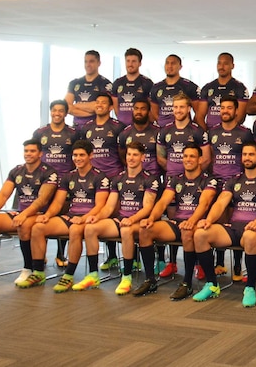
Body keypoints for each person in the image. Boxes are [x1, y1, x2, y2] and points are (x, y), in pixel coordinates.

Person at [190, 142, 256, 305]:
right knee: (200, 234)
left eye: (251, 154)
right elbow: (220, 203)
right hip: (234, 228)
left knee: (251, 236)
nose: (247, 157)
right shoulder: (234, 180)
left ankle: (250, 287)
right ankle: (212, 284)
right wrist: (208, 220)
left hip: (255, 228)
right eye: (244, 154)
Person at [15, 140, 110, 290]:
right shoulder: (68, 176)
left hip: (90, 218)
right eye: (75, 155)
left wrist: (83, 218)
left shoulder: (100, 177)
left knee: (74, 230)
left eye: (81, 155)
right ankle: (38, 272)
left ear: (91, 155)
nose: (77, 158)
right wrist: (48, 215)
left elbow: (100, 206)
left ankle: (69, 275)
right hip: (71, 216)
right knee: (38, 227)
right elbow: (58, 203)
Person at [131, 144, 219, 300]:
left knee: (187, 231)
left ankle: (187, 283)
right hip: (177, 222)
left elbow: (204, 203)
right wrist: (151, 218)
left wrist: (191, 221)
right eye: (185, 156)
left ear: (200, 159)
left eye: (192, 156)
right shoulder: (175, 179)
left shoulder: (209, 180)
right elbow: (163, 201)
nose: (188, 160)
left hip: (197, 223)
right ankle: (150, 280)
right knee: (145, 230)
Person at [75, 142, 161, 294]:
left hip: (138, 221)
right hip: (120, 219)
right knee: (90, 228)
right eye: (129, 154)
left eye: (135, 155)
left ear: (143, 157)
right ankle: (93, 275)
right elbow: (109, 207)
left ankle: (126, 277)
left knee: (126, 230)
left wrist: (132, 218)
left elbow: (148, 208)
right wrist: (97, 217)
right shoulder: (118, 178)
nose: (131, 158)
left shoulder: (150, 179)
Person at [0, 139, 59, 284]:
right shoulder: (16, 170)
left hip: (40, 214)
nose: (28, 154)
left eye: (32, 151)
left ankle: (28, 269)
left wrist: (24, 214)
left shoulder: (49, 172)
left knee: (22, 225)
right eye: (26, 151)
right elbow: (4, 194)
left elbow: (42, 200)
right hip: (19, 213)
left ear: (40, 154)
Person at [156, 92, 209, 279]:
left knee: (191, 223)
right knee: (175, 222)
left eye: (181, 107)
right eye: (175, 107)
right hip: (172, 182)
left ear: (188, 109)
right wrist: (175, 172)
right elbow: (161, 157)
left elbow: (206, 157)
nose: (178, 110)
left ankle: (198, 265)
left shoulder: (197, 131)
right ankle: (172, 263)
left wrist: (191, 175)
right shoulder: (165, 131)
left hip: (194, 184)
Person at [206, 96, 254, 280]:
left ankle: (236, 266)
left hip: (238, 185)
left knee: (235, 224)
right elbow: (209, 157)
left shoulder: (245, 133)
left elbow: (250, 158)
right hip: (217, 184)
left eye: (229, 108)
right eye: (222, 108)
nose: (225, 111)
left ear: (236, 111)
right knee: (218, 222)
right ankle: (219, 262)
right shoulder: (212, 132)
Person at [79, 92, 126, 269]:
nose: (99, 105)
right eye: (96, 102)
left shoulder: (118, 126)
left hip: (114, 175)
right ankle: (112, 256)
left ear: (110, 107)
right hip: (95, 179)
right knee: (99, 215)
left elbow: (123, 153)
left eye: (103, 103)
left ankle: (132, 257)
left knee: (115, 214)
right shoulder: (86, 127)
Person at [33, 99, 78, 267]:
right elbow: (35, 155)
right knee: (42, 216)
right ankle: (40, 254)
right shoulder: (40, 132)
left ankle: (60, 255)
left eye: (61, 111)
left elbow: (77, 157)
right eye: (54, 110)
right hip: (44, 182)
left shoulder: (73, 133)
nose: (57, 113)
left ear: (66, 113)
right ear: (51, 112)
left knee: (61, 217)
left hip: (65, 182)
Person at [195, 52, 249, 130]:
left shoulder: (240, 88)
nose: (221, 67)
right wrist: (206, 133)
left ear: (232, 66)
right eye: (219, 63)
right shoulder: (207, 87)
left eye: (225, 64)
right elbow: (199, 116)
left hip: (231, 133)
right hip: (210, 133)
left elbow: (240, 117)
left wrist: (227, 132)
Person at [65, 50, 113, 128]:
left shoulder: (105, 84)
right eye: (86, 62)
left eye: (91, 61)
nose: (88, 64)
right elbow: (66, 107)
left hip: (97, 128)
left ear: (99, 63)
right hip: (76, 128)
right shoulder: (74, 83)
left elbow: (100, 107)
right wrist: (91, 110)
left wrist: (76, 105)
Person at [149, 54, 200, 127]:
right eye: (167, 63)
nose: (169, 66)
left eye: (173, 63)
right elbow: (154, 112)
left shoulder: (189, 86)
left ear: (180, 67)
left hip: (184, 130)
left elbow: (198, 112)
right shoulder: (156, 87)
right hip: (162, 130)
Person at [118, 98, 161, 177]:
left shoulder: (158, 132)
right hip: (133, 178)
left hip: (154, 176)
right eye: (136, 109)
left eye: (143, 109)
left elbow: (163, 157)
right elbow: (122, 156)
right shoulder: (125, 133)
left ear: (149, 112)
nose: (139, 112)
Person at [111, 47, 153, 126]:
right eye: (128, 61)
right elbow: (116, 108)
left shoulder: (147, 83)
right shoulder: (117, 83)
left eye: (133, 61)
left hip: (141, 127)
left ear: (140, 63)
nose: (130, 64)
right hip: (122, 128)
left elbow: (152, 108)